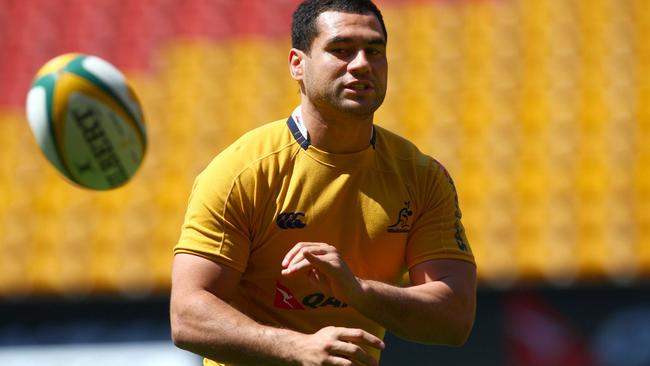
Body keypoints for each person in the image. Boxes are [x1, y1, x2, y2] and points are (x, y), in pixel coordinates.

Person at [170, 0, 477, 365]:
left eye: (374, 51)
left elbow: (454, 318)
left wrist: (359, 291)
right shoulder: (242, 172)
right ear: (297, 64)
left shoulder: (422, 176)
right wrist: (296, 348)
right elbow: (187, 315)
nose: (362, 63)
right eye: (341, 50)